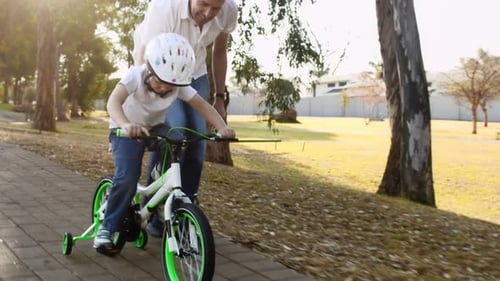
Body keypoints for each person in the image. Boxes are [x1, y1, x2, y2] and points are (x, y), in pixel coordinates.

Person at [94, 33, 235, 254]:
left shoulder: (175, 83)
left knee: (178, 139)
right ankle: (107, 227)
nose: (164, 89)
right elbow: (113, 102)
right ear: (149, 69)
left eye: (170, 86)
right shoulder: (135, 75)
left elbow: (203, 106)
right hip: (125, 130)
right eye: (160, 82)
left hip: (154, 128)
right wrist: (124, 124)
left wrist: (221, 126)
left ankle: (158, 182)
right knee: (128, 177)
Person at [132, 0, 238, 236]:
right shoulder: (164, 9)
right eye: (204, 4)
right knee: (174, 132)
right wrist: (144, 100)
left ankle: (183, 211)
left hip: (193, 70)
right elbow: (143, 55)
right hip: (157, 69)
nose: (209, 14)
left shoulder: (228, 10)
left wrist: (219, 97)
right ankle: (152, 208)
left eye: (216, 9)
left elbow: (219, 51)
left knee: (196, 142)